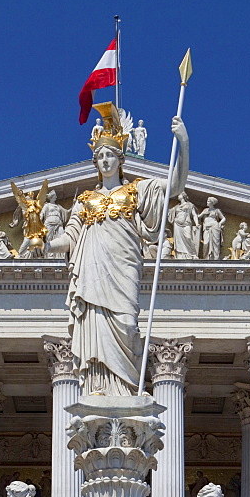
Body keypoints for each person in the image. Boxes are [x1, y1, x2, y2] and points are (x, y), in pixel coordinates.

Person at [46, 102, 189, 396]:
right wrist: (47, 236)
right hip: (92, 274)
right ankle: (98, 387)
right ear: (96, 162)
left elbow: (174, 187)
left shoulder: (136, 191)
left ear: (120, 160)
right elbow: (69, 239)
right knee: (95, 326)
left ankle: (125, 390)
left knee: (126, 323)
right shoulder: (85, 200)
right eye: (100, 156)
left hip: (123, 270)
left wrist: (183, 143)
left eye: (110, 155)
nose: (105, 160)